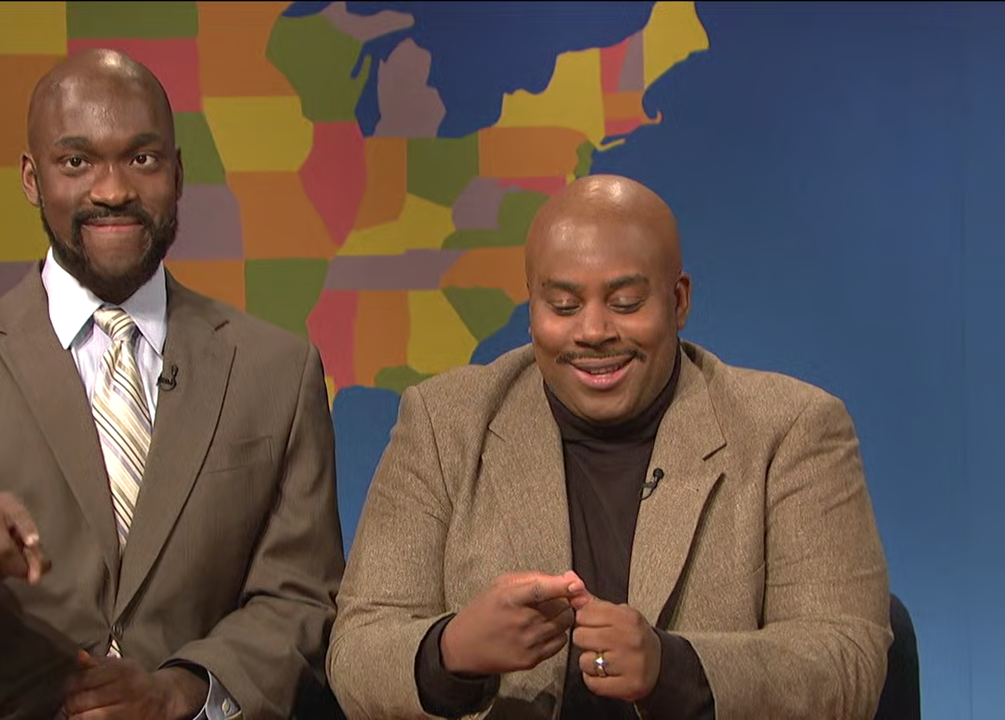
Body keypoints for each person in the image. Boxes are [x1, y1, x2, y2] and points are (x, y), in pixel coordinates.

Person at [0, 48, 345, 720]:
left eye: (141, 158)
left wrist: (179, 693)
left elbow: (301, 596)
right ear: (32, 179)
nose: (112, 191)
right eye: (77, 162)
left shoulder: (277, 371)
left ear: (178, 173)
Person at [325, 174, 892, 719]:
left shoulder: (790, 430)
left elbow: (845, 660)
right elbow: (356, 653)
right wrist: (451, 651)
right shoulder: (444, 423)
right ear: (532, 308)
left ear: (678, 301)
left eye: (625, 302)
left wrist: (672, 669)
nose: (593, 331)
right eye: (563, 306)